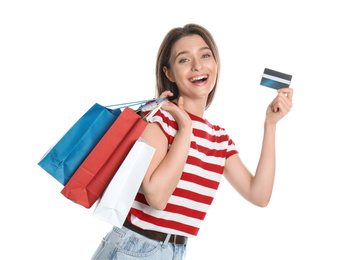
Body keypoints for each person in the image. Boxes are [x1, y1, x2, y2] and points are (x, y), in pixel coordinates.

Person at [91, 24, 293, 260]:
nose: (198, 66)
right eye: (184, 60)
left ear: (215, 64)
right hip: (135, 248)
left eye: (205, 55)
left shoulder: (219, 139)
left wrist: (270, 125)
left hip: (175, 251)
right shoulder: (159, 120)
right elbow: (156, 196)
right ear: (169, 74)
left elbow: (259, 195)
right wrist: (185, 128)